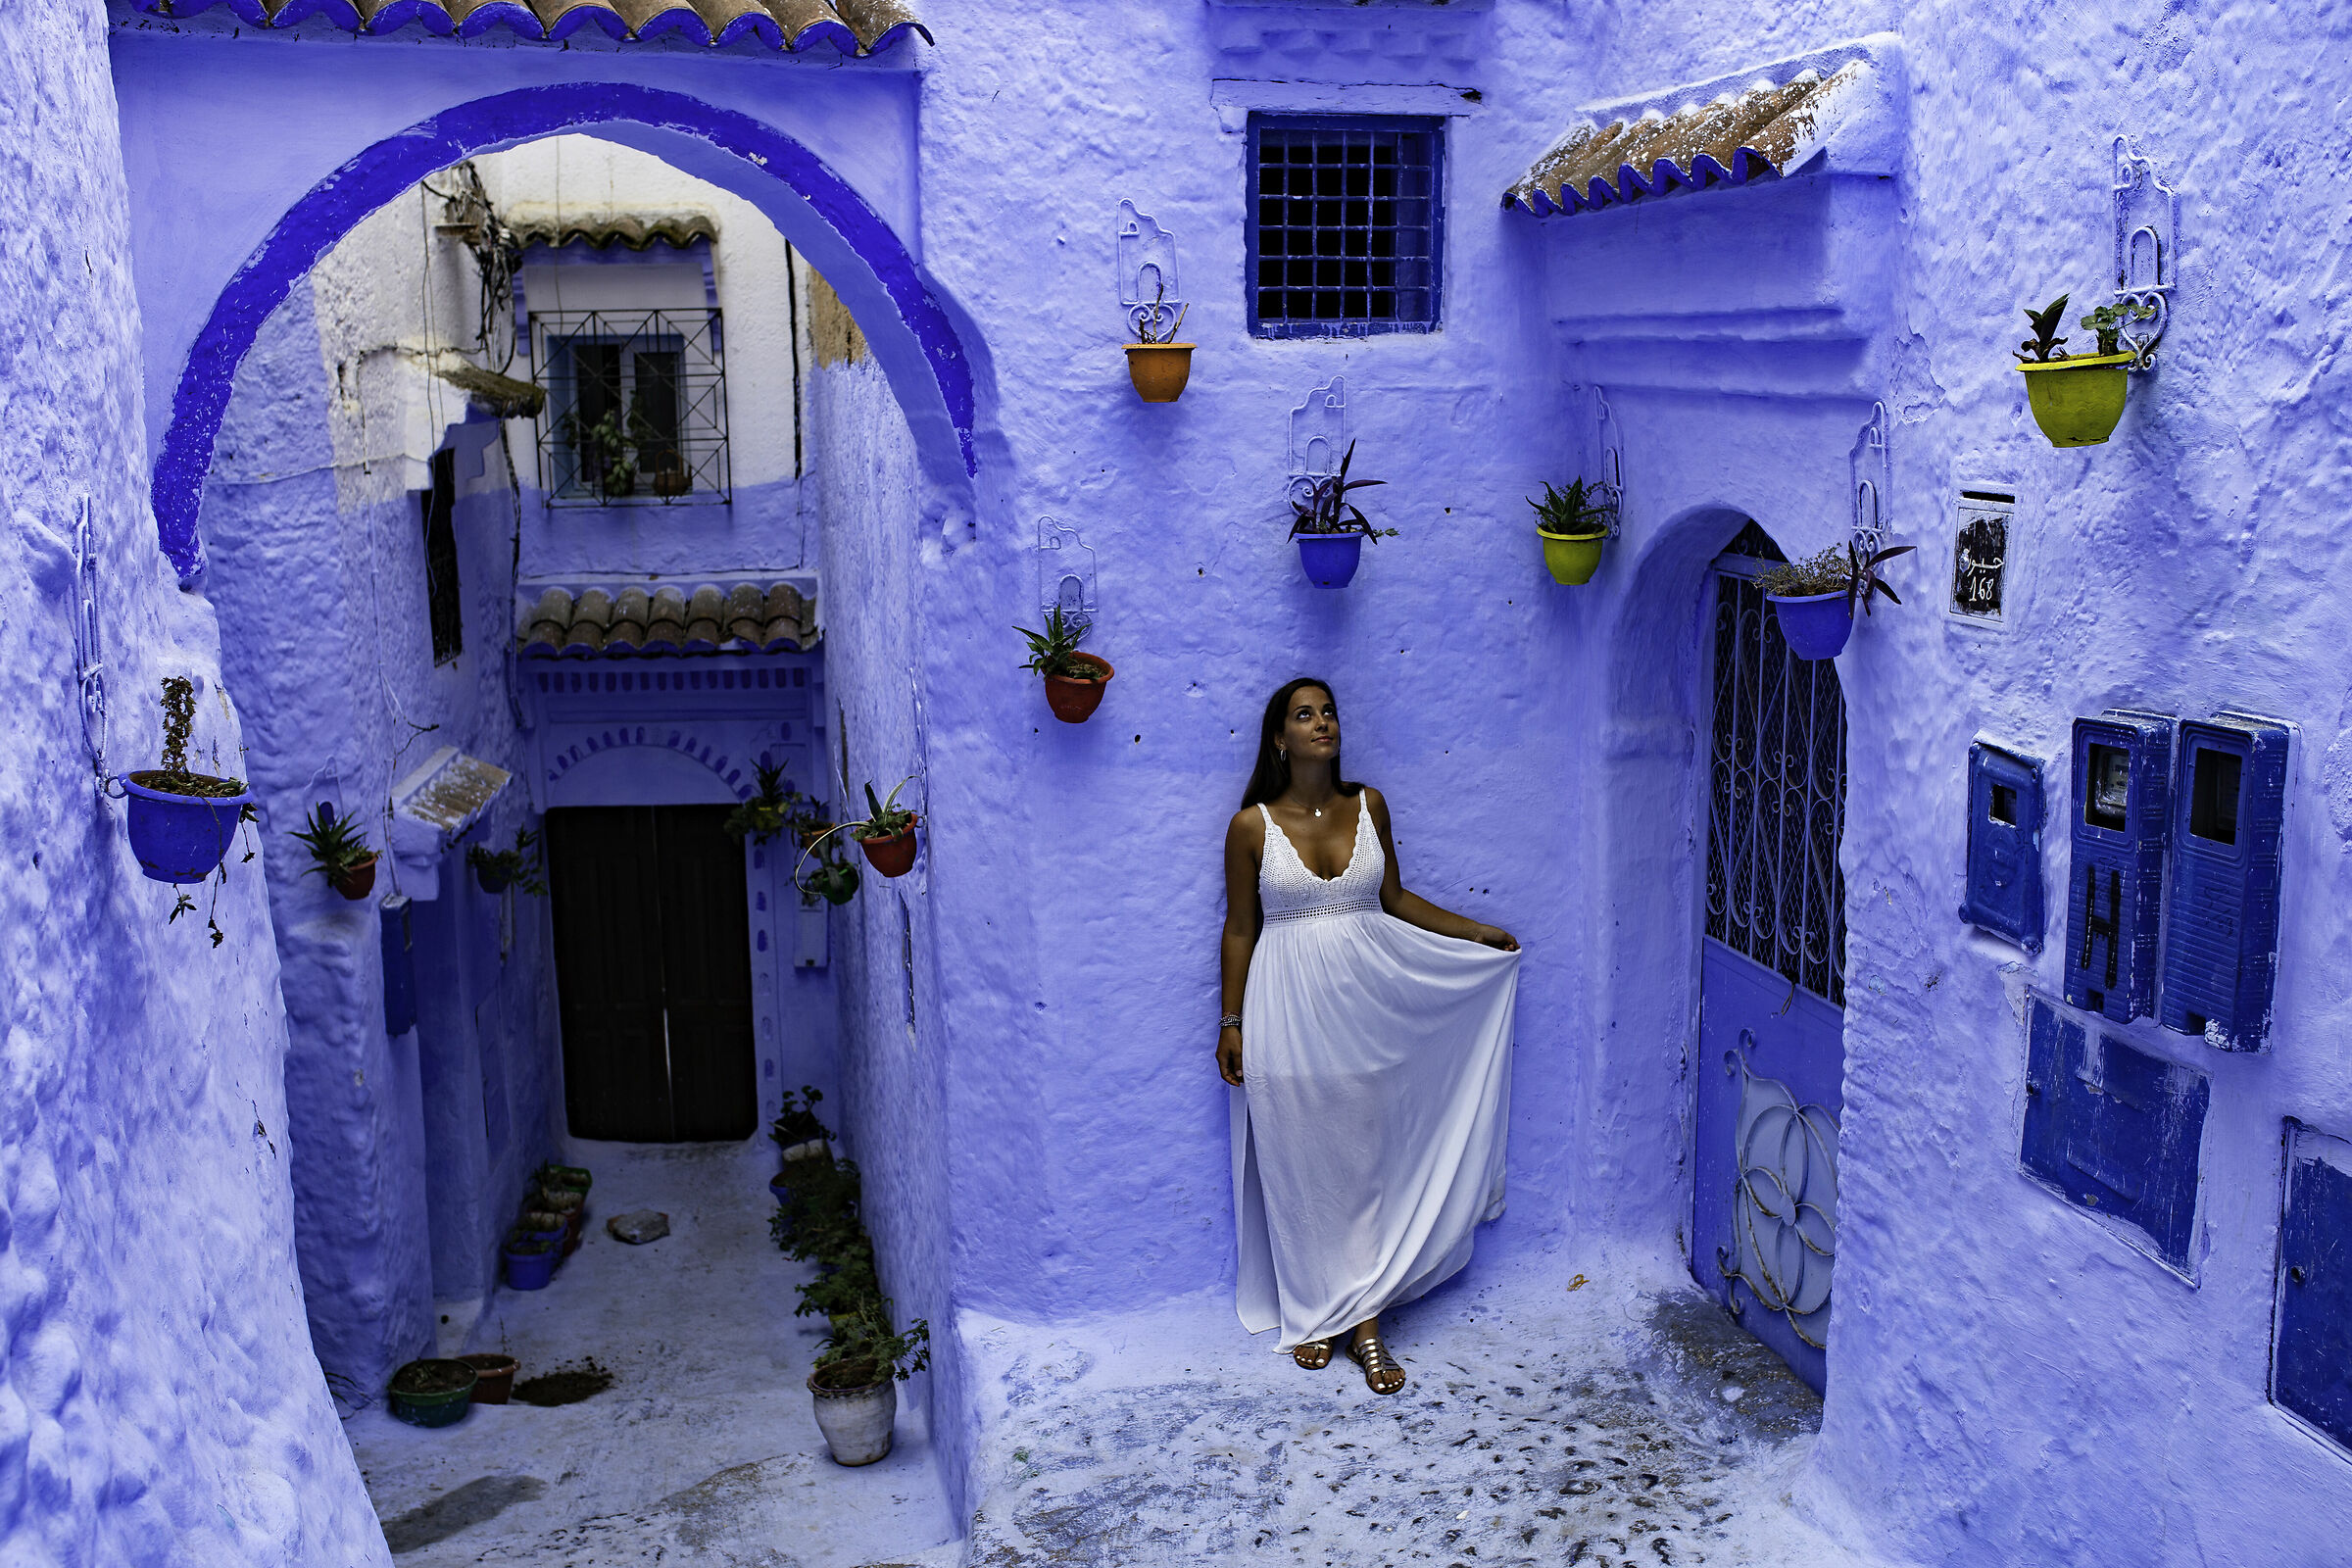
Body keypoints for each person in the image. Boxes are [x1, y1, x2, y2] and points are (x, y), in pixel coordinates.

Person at [1218, 676, 1521, 1396]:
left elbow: (1394, 899)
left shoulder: (1368, 806)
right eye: (1304, 715)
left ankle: (1366, 1323)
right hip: (1284, 1011)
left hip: (1366, 1010)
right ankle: (1315, 1313)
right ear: (1279, 739)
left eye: (1328, 712)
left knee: (1364, 1162)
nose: (1322, 723)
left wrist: (1474, 931)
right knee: (1299, 1160)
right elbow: (1238, 929)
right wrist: (1230, 1023)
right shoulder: (1251, 826)